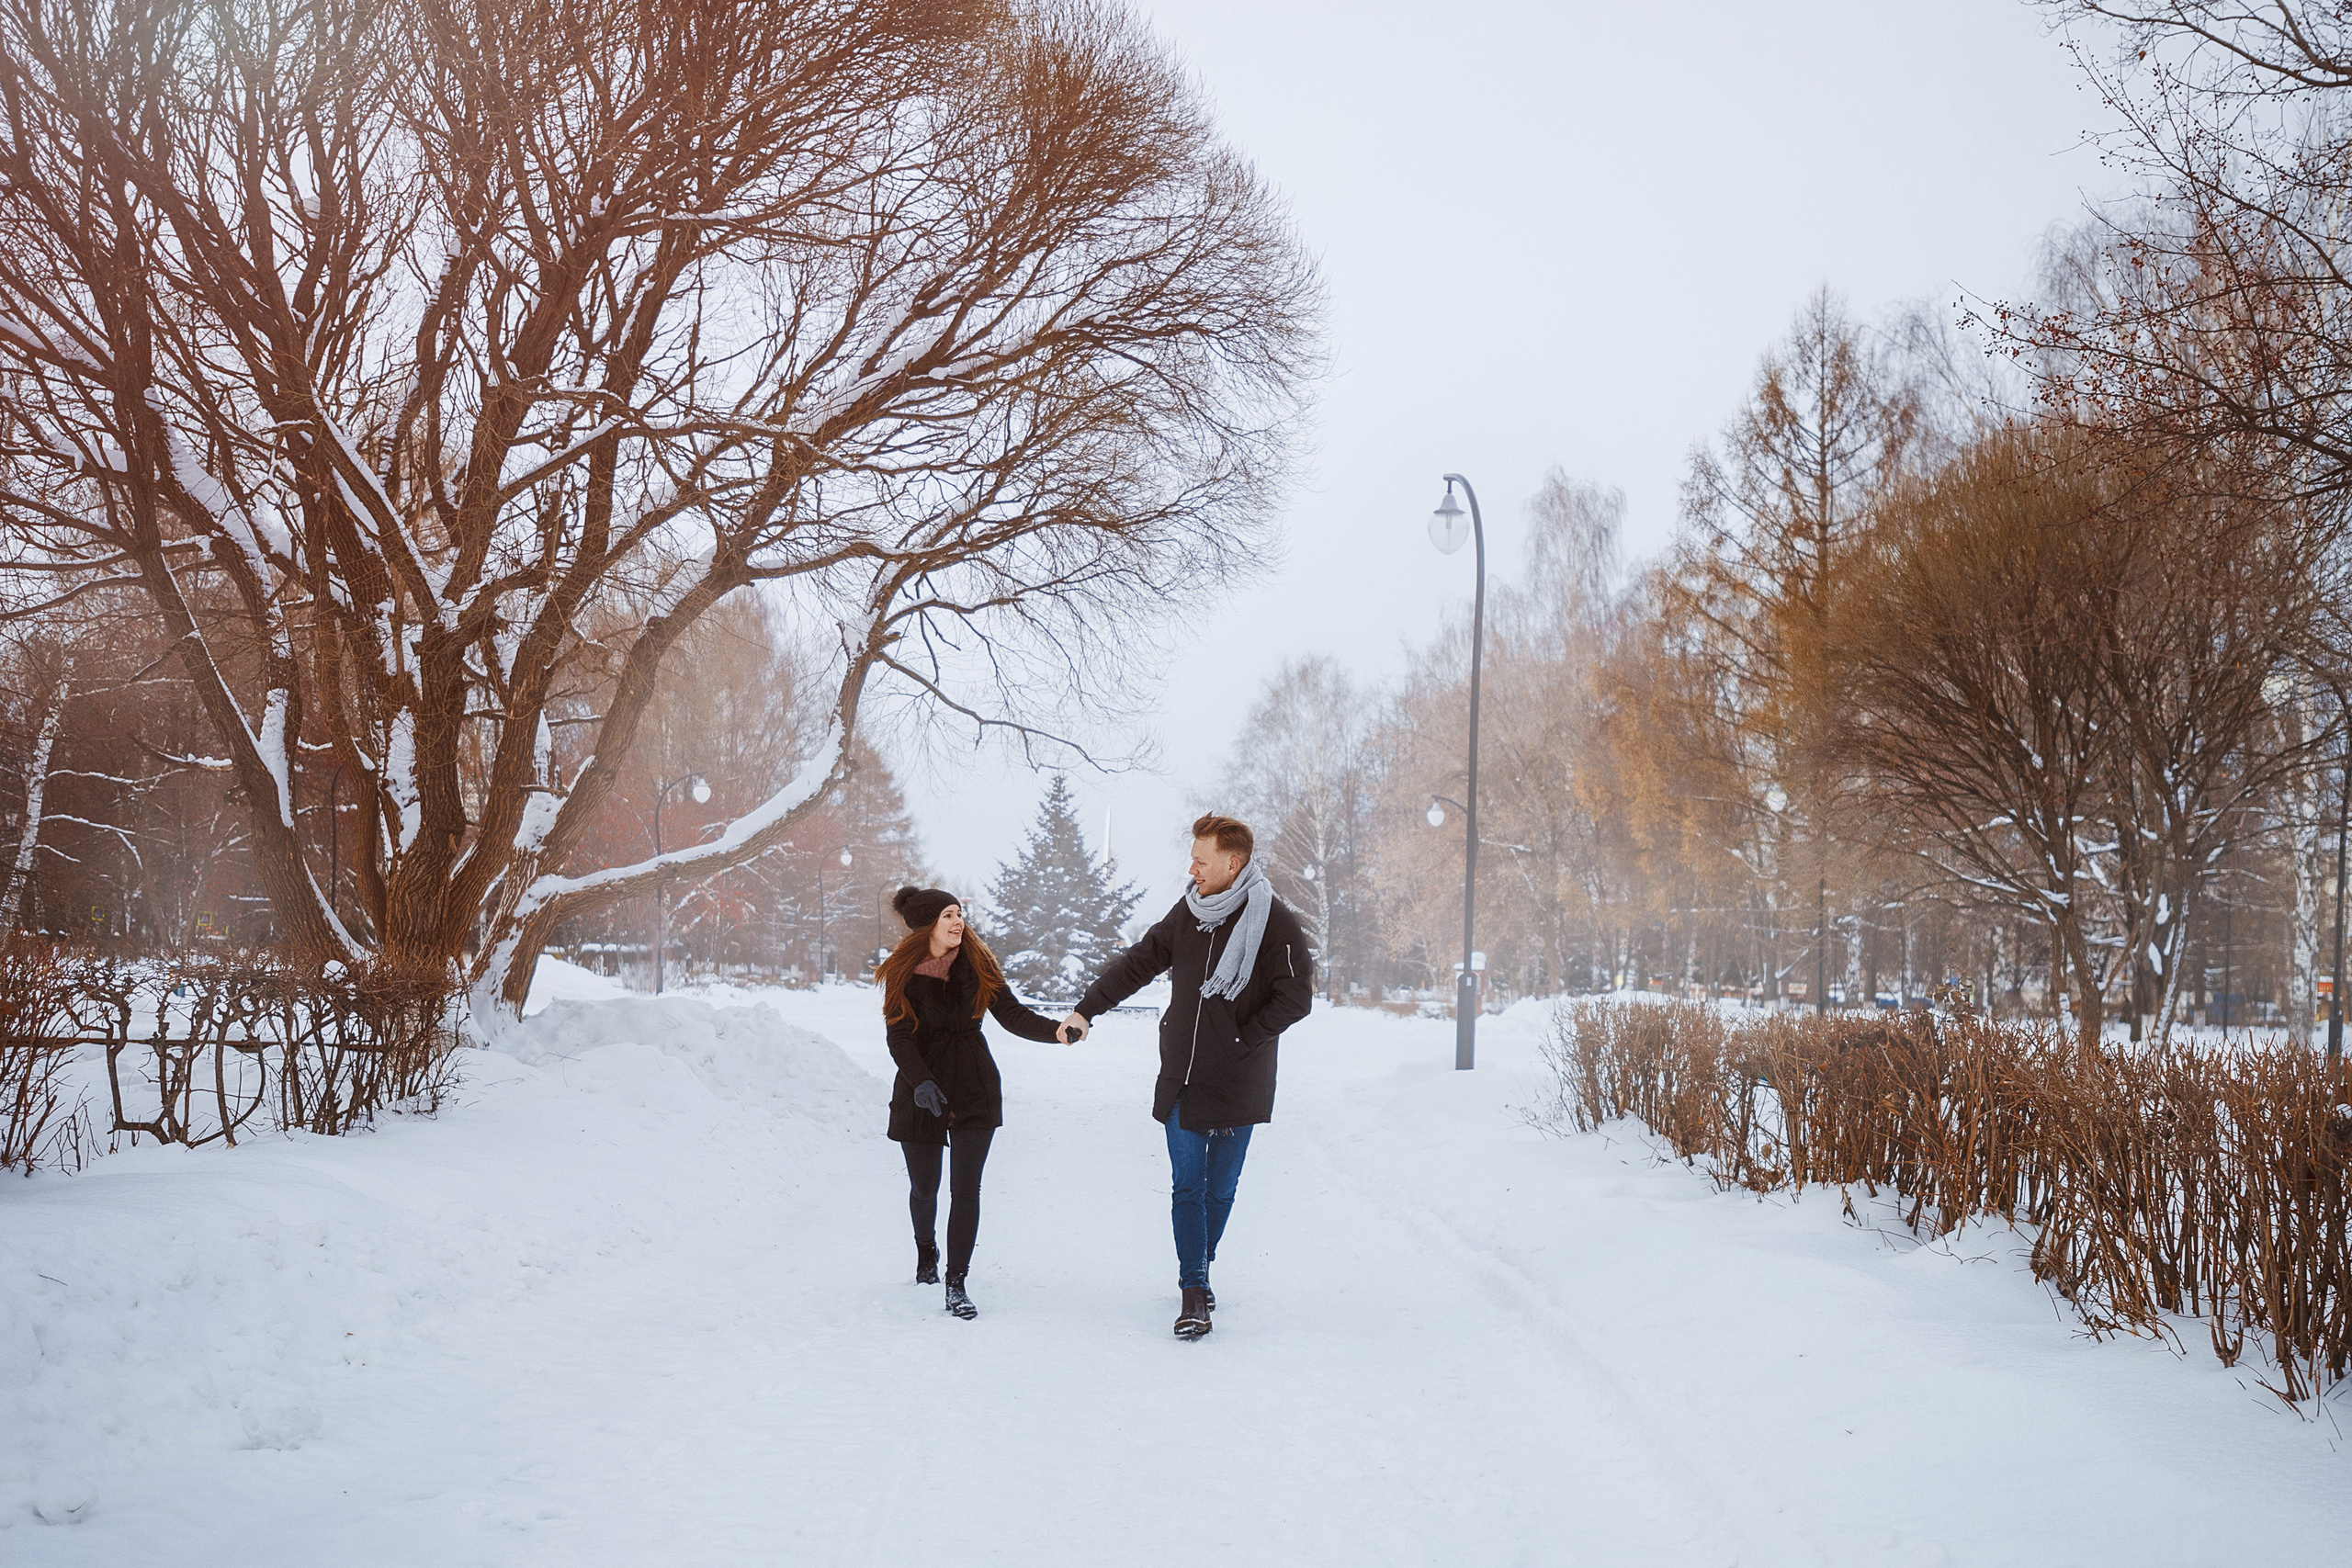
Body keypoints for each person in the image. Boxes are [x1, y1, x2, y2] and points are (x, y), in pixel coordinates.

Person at [1058, 815, 1314, 1340]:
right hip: (1183, 1076)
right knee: (1187, 1186)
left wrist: (1244, 1038)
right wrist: (1086, 1010)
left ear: (1232, 863)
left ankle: (1200, 1265)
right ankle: (1193, 1290)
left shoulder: (1274, 922)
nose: (1191, 868)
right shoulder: (1190, 913)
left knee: (1220, 1191)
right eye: (1193, 858)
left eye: (1201, 860)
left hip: (1240, 1077)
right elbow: (1138, 963)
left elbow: (1296, 997)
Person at [878, 886, 1064, 1319]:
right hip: (920, 1086)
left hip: (973, 1082)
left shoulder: (978, 965)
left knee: (966, 1190)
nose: (957, 921)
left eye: (959, 913)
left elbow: (1013, 1015)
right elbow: (899, 1035)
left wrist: (1055, 1031)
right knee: (925, 1188)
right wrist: (920, 1082)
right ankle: (927, 1250)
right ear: (928, 924)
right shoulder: (901, 972)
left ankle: (956, 1282)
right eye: (947, 914)